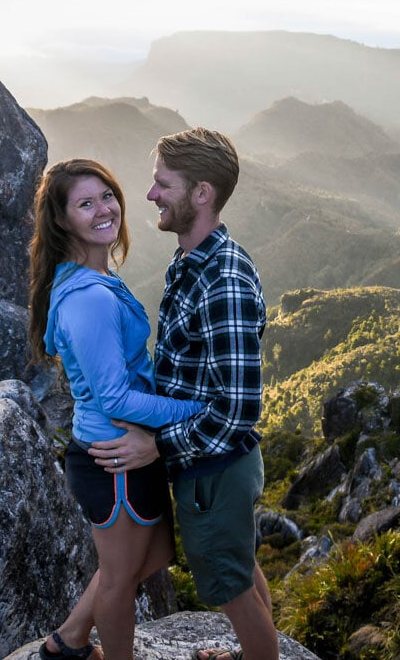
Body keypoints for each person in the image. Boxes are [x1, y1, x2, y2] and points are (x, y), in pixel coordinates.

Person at [88, 128, 277, 660]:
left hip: (215, 471)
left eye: (162, 184)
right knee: (239, 565)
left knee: (232, 588)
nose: (149, 196)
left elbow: (238, 410)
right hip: (212, 468)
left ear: (201, 194)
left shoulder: (224, 283)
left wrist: (158, 445)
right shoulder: (192, 260)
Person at [27, 158, 203, 660]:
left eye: (107, 196)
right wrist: (191, 409)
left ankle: (69, 638)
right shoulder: (89, 300)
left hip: (116, 444)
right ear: (62, 220)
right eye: (86, 203)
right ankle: (82, 649)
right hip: (116, 453)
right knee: (121, 582)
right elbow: (115, 398)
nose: (105, 209)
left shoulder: (91, 279)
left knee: (154, 553)